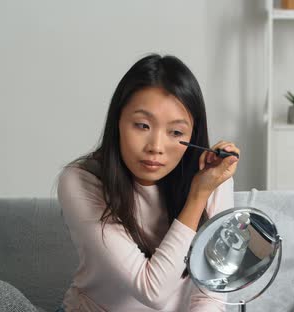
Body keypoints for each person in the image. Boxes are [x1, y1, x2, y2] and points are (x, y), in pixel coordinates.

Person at [57, 54, 240, 312]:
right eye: (142, 125)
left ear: (192, 135)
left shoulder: (212, 178)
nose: (155, 147)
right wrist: (197, 196)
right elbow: (152, 290)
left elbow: (209, 295)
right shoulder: (81, 180)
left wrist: (207, 187)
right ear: (118, 121)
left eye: (176, 132)